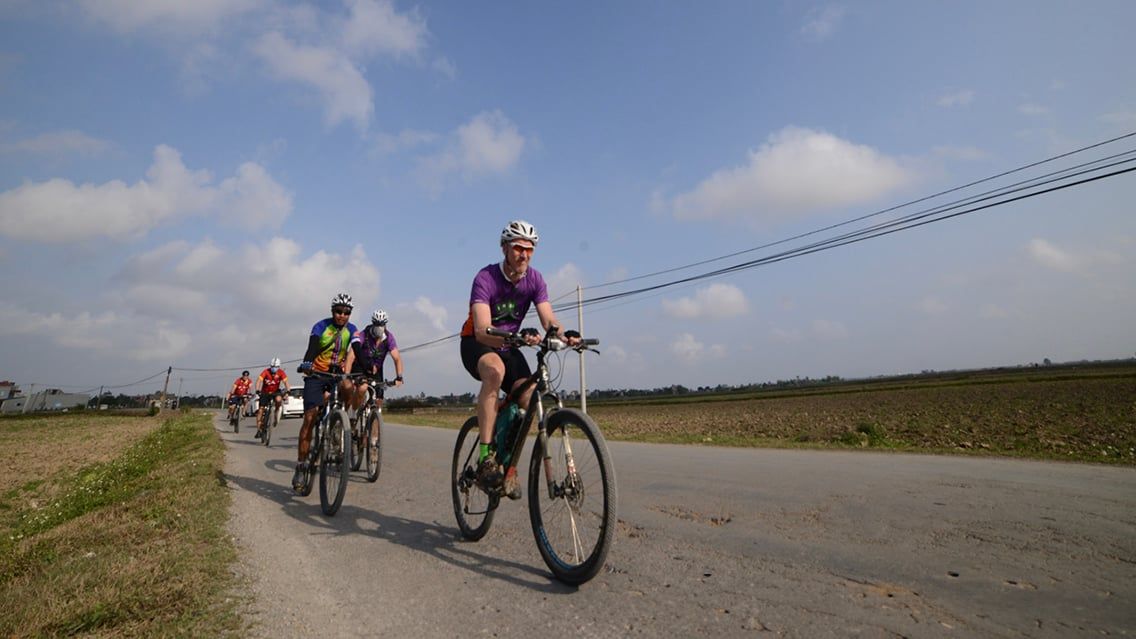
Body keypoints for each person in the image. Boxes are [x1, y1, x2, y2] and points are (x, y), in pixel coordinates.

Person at [459, 220, 578, 498]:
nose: (524, 255)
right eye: (518, 248)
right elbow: (482, 328)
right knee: (495, 372)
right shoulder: (486, 278)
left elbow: (548, 319)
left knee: (528, 397)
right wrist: (516, 337)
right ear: (504, 248)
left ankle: (508, 464)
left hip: (510, 345)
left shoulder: (535, 280)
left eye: (529, 249)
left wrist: (565, 335)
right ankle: (486, 458)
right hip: (477, 343)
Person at [293, 293, 358, 492]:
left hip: (337, 375)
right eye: (338, 311)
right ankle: (301, 465)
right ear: (332, 311)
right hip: (317, 374)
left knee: (348, 386)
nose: (342, 315)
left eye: (346, 312)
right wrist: (307, 363)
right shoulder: (321, 326)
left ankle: (342, 419)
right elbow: (312, 347)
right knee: (310, 418)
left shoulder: (352, 330)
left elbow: (357, 349)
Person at [348, 309, 405, 449]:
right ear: (373, 323)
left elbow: (397, 358)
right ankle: (353, 415)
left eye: (382, 324)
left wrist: (399, 376)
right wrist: (347, 375)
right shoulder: (364, 334)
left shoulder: (389, 338)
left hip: (377, 371)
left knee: (378, 403)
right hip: (361, 368)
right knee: (362, 389)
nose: (380, 327)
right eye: (377, 324)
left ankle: (373, 440)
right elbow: (351, 356)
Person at [254, 357, 290, 440]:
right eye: (272, 366)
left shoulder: (281, 372)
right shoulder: (266, 371)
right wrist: (257, 390)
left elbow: (286, 383)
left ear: (279, 366)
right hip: (265, 392)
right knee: (260, 410)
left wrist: (288, 391)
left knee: (278, 399)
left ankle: (276, 412)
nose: (274, 368)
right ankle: (259, 429)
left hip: (275, 391)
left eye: (276, 367)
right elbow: (258, 381)